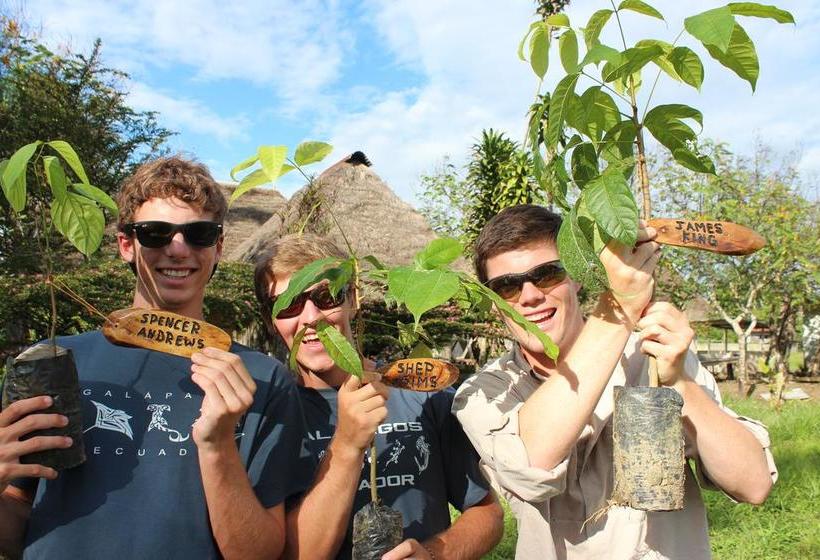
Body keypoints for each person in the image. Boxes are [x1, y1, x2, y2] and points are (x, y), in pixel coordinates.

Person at [0, 156, 314, 559]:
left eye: (198, 234)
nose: (178, 249)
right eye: (156, 233)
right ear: (127, 245)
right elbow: (14, 536)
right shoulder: (54, 361)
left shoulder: (263, 378)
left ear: (218, 248)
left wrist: (218, 445)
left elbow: (259, 553)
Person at [453, 204, 777, 560]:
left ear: (576, 276)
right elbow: (532, 463)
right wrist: (619, 307)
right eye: (507, 287)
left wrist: (679, 382)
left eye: (547, 274)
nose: (529, 296)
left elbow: (753, 484)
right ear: (495, 303)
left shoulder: (652, 353)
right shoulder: (483, 393)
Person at [254, 233, 504, 560]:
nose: (311, 317)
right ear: (271, 322)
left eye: (326, 296)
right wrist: (346, 443)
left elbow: (487, 513)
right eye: (289, 305)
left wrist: (435, 555)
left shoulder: (421, 393)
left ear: (353, 299)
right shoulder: (268, 416)